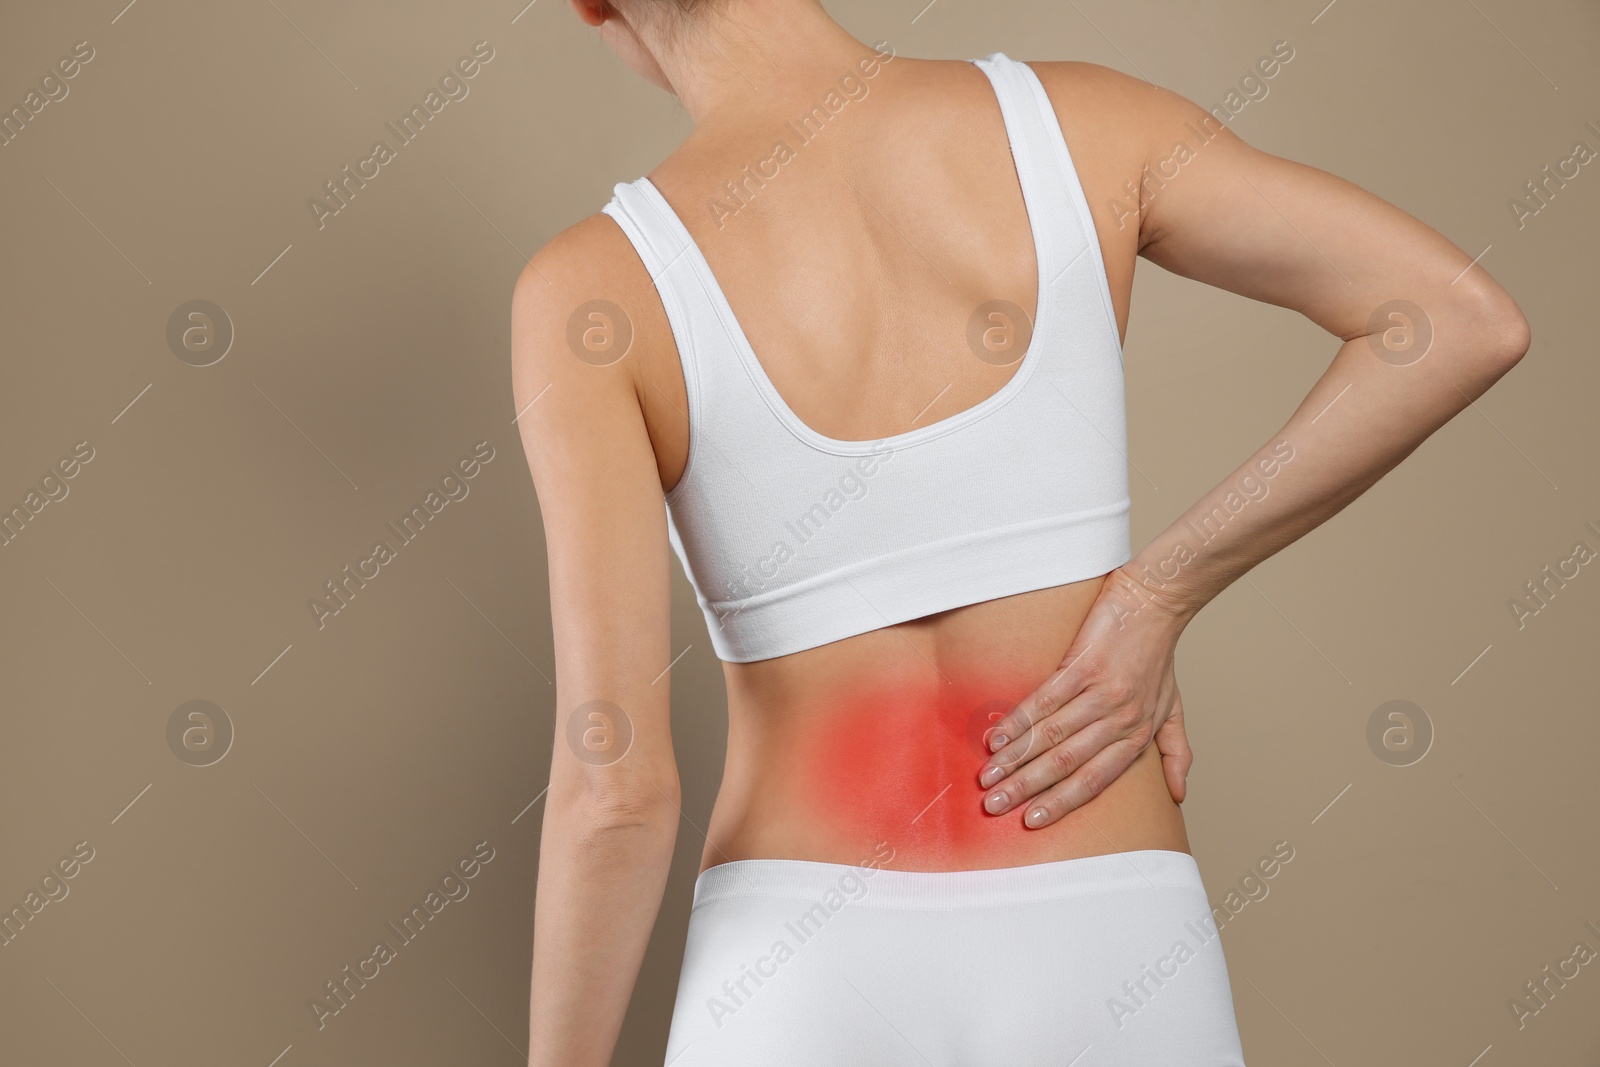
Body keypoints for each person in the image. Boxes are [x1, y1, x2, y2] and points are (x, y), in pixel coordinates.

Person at [510, 1, 1531, 1063]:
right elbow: (1456, 319)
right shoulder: (1086, 128)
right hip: (1108, 939)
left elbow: (614, 791)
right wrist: (1158, 590)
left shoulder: (591, 291)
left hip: (797, 962)